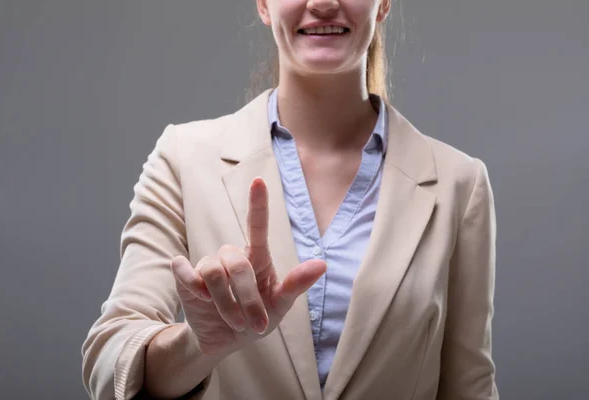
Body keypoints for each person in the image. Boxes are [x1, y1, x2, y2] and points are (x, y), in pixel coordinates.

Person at [82, 0, 499, 399]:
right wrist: (201, 344)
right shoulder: (182, 158)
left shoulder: (459, 184)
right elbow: (109, 358)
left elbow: (471, 387)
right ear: (263, 4)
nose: (322, 3)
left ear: (384, 3)